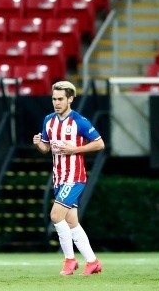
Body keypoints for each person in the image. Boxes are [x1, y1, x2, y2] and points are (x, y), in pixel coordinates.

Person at [32, 81, 105, 276]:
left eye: (60, 99)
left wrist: (75, 149)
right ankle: (92, 262)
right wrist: (38, 144)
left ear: (70, 99)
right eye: (54, 99)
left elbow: (99, 144)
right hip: (59, 177)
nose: (56, 102)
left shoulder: (79, 121)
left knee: (55, 216)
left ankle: (70, 260)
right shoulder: (48, 120)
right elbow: (47, 149)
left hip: (74, 177)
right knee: (72, 222)